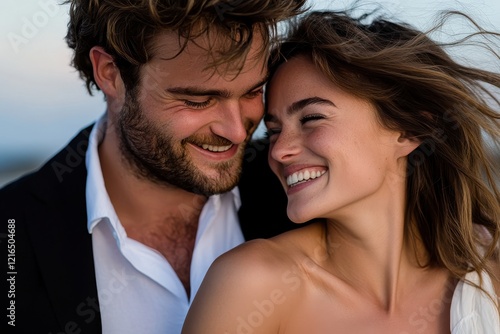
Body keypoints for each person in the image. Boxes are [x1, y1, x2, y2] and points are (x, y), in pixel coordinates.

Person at [182, 8, 500, 334]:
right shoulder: (252, 285)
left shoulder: (488, 274)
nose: (278, 150)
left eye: (311, 119)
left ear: (408, 131)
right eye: (274, 130)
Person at [0, 1, 308, 333]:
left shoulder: (302, 190)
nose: (235, 130)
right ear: (109, 73)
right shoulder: (12, 233)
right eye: (197, 100)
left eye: (253, 91)